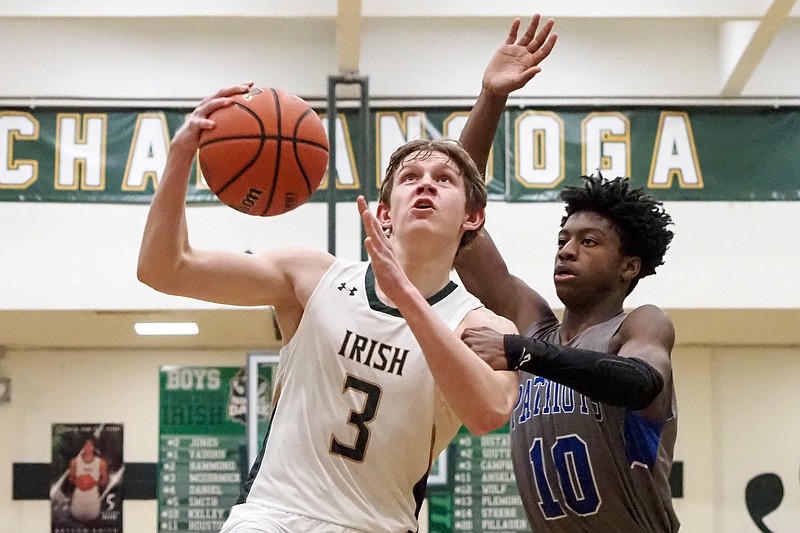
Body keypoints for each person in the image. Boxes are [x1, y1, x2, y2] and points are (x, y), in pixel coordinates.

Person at [137, 83, 519, 532]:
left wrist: (407, 299)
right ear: (384, 213)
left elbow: (489, 413)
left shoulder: (480, 324)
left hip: (378, 524)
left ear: (472, 217)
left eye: (444, 179)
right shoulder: (312, 277)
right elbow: (165, 270)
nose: (426, 186)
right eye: (411, 178)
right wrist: (181, 155)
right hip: (272, 515)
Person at [453, 14, 680, 532]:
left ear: (629, 266)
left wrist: (520, 352)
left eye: (588, 241)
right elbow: (458, 228)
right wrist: (490, 98)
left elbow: (640, 381)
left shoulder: (639, 325)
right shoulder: (535, 321)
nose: (567, 251)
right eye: (562, 240)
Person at [67, 435, 108, 522]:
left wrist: (93, 482)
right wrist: (79, 481)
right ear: (82, 446)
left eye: (91, 445)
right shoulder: (74, 461)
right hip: (79, 497)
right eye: (86, 445)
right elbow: (70, 479)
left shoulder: (101, 462)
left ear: (94, 447)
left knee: (92, 519)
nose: (88, 447)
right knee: (76, 519)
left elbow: (105, 481)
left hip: (93, 497)